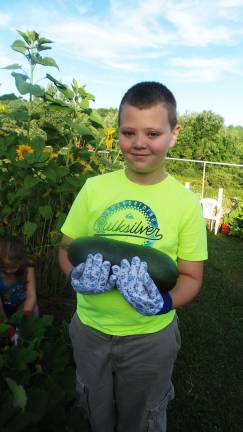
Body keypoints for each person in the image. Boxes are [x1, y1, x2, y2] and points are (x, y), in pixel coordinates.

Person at [58, 81, 208, 432]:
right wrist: (73, 277)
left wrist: (163, 302)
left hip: (150, 339)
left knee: (142, 417)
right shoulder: (95, 188)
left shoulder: (185, 204)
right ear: (119, 133)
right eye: (128, 132)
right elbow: (67, 250)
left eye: (153, 132)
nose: (139, 142)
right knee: (95, 411)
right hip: (90, 331)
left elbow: (191, 277)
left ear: (174, 134)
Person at [0, 235, 38, 319]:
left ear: (21, 261)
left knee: (34, 308)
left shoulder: (28, 267)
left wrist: (24, 316)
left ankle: (25, 330)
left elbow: (31, 295)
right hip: (2, 308)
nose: (8, 271)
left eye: (13, 267)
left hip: (22, 305)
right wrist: (5, 324)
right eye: (4, 267)